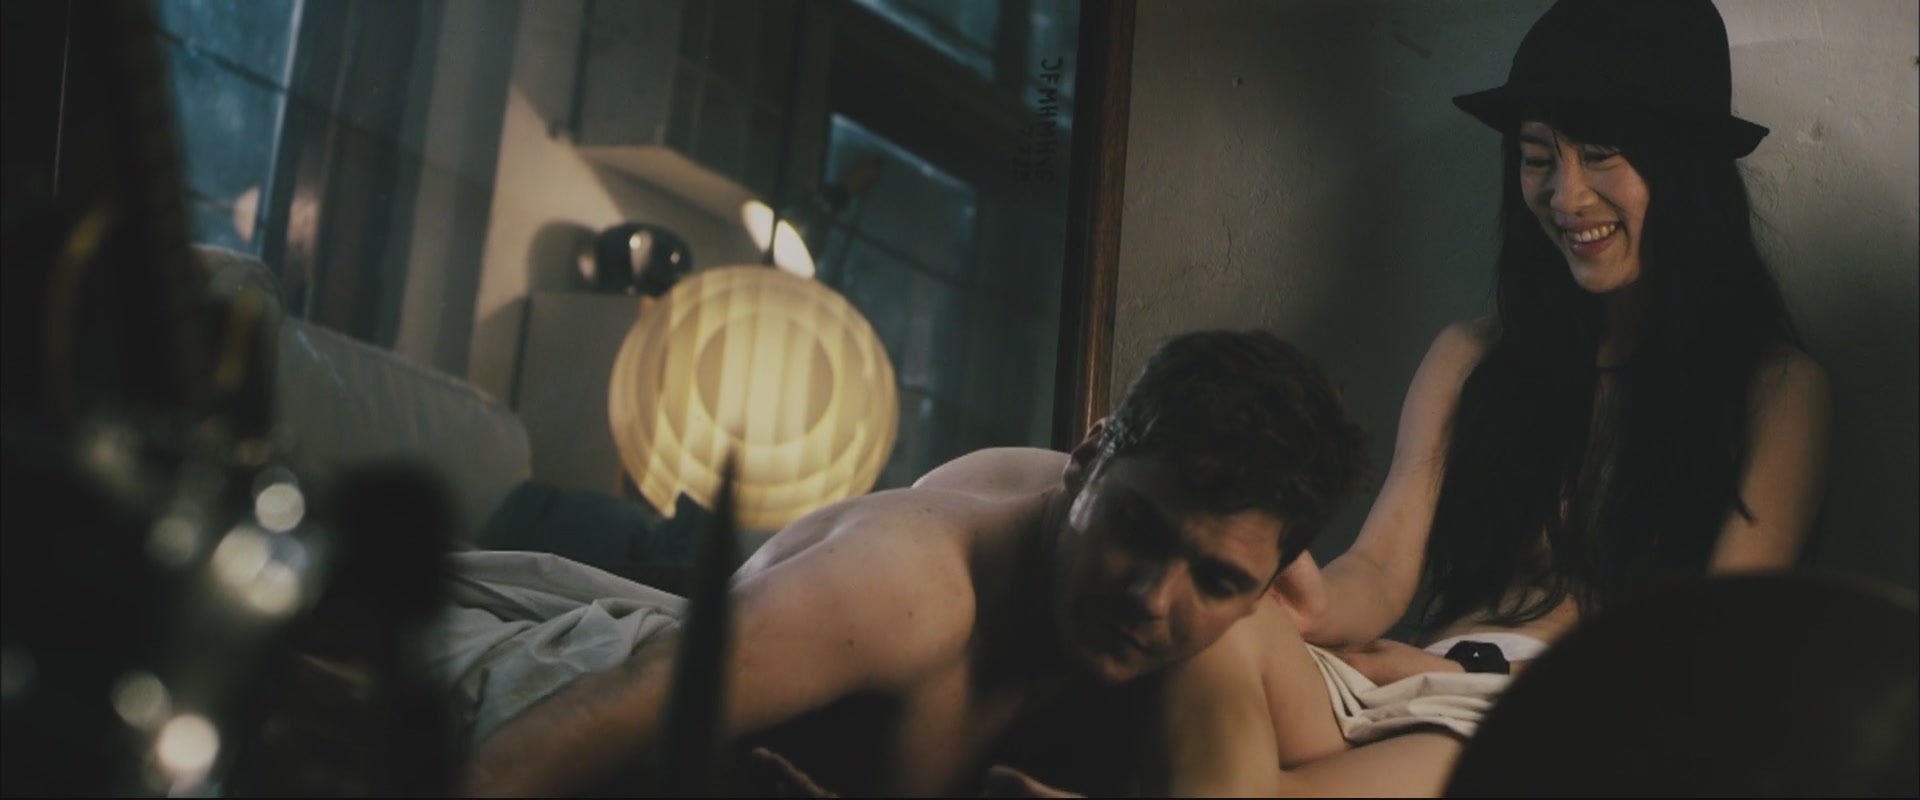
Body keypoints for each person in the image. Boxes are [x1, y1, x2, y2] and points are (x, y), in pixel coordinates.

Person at [1148, 1, 1833, 793]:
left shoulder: (1777, 390)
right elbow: (1381, 564)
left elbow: (1712, 650)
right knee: (1218, 627)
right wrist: (1303, 602)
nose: (1567, 196)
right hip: (1404, 679)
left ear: (1687, 168)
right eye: (1538, 157)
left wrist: (1481, 673)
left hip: (1571, 723)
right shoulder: (1471, 357)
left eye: (1600, 155)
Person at [459, 329, 1370, 797]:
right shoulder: (900, 593)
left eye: (1217, 581)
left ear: (1264, 590)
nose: (1152, 597)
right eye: (1138, 528)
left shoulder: (1215, 648)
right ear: (1088, 460)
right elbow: (574, 733)